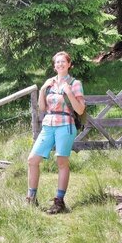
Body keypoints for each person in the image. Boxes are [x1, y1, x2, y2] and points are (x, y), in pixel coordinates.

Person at [27, 51, 86, 214]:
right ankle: (31, 198)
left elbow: (80, 109)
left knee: (61, 161)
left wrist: (68, 92)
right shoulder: (49, 83)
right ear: (54, 66)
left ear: (69, 64)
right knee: (32, 160)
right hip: (48, 125)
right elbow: (42, 108)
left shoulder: (75, 83)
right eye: (57, 62)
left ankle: (59, 202)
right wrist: (42, 90)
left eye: (63, 62)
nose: (60, 64)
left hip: (65, 125)